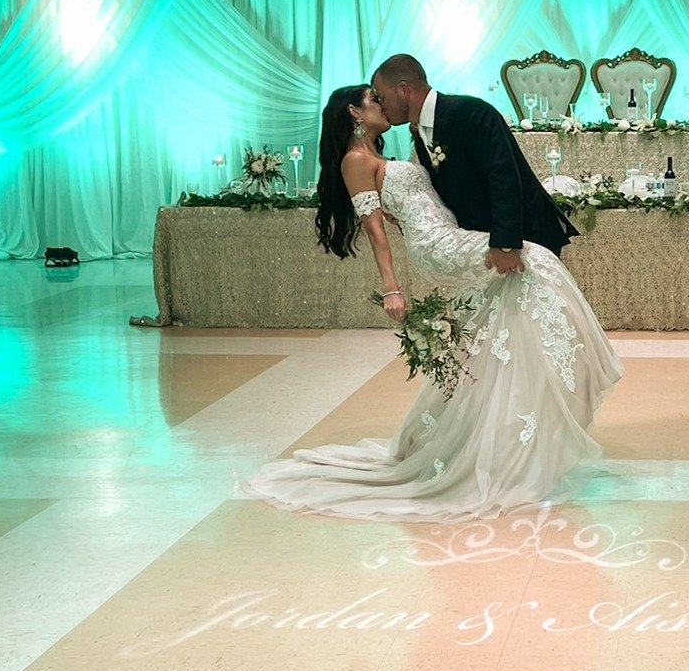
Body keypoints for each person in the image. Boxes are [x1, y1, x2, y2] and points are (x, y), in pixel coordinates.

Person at [243, 70, 621, 521]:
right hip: (438, 246)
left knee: (504, 317)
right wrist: (392, 289)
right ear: (354, 112)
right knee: (535, 262)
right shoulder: (354, 160)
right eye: (373, 100)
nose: (382, 106)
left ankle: (505, 432)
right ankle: (529, 421)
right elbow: (375, 231)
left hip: (449, 233)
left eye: (382, 96)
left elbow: (424, 196)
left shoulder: (402, 145)